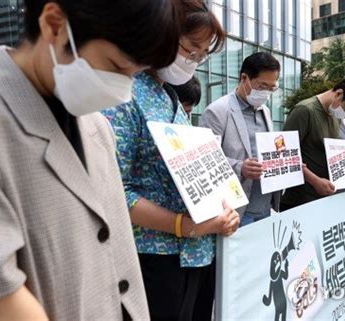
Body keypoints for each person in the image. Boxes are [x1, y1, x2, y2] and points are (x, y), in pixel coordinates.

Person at [0, 0, 182, 320]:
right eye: (117, 68)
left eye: (136, 75)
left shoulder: (96, 126)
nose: (124, 91)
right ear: (54, 25)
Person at [102, 1, 239, 320]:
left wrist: (224, 208)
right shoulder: (123, 95)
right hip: (153, 256)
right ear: (159, 33)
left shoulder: (170, 98)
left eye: (202, 54)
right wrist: (184, 225)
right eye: (191, 48)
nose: (194, 60)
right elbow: (113, 192)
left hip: (198, 252)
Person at [200, 52, 281, 226]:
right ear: (244, 78)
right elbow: (204, 161)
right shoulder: (217, 111)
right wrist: (239, 167)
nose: (266, 93)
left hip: (265, 207)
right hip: (237, 209)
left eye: (271, 88)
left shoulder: (265, 111)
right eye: (262, 86)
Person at [281, 75, 345, 210]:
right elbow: (284, 155)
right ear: (339, 94)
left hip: (326, 198)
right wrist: (314, 181)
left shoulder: (336, 116)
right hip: (300, 201)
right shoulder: (305, 110)